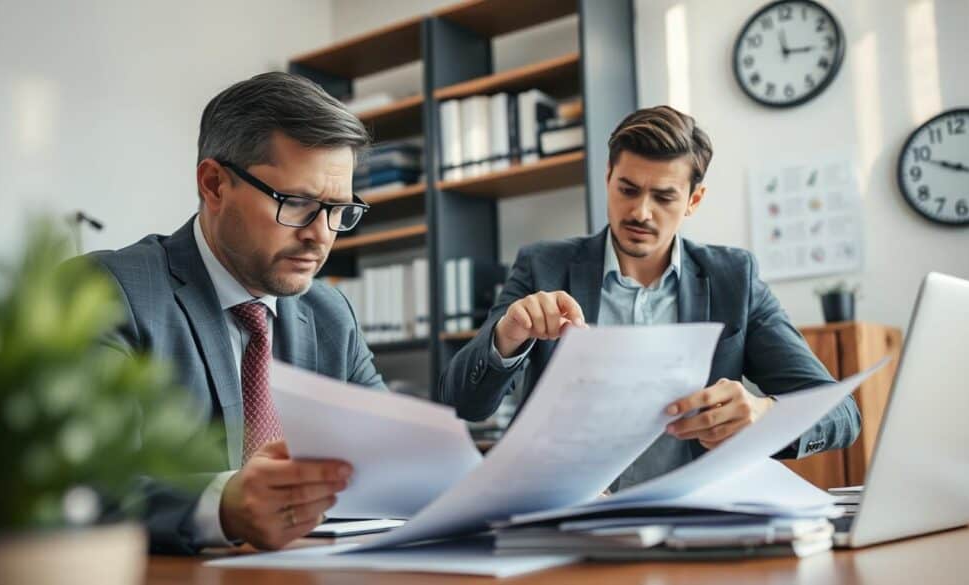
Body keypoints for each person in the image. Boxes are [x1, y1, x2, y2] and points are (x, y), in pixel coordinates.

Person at [437, 105, 860, 491]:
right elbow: (463, 404)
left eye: (663, 196)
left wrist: (764, 415)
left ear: (693, 200)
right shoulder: (542, 266)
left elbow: (842, 414)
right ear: (607, 179)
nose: (641, 211)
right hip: (565, 518)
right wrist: (506, 337)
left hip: (694, 521)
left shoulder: (735, 279)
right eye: (628, 189)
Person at [90, 72, 382, 553]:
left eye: (338, 209)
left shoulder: (330, 313)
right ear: (214, 184)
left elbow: (389, 455)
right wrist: (222, 504)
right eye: (298, 203)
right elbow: (83, 482)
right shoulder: (110, 292)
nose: (321, 235)